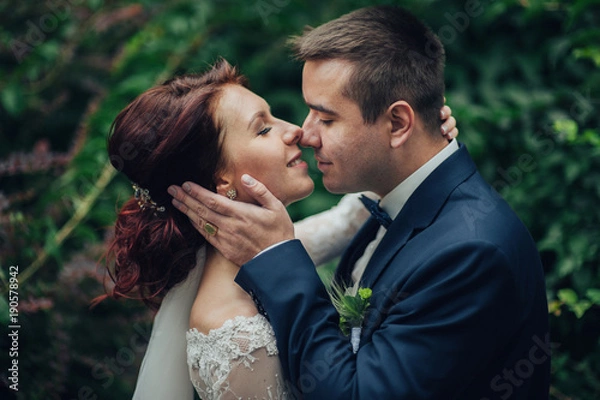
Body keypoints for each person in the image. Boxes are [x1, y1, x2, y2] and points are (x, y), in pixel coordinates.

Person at [168, 5, 551, 399]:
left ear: (399, 124)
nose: (305, 133)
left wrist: (278, 255)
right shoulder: (400, 199)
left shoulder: (471, 253)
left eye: (326, 118)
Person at [104, 59, 457, 399]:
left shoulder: (272, 249)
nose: (297, 131)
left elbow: (345, 222)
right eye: (263, 128)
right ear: (220, 180)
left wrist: (418, 145)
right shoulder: (233, 331)